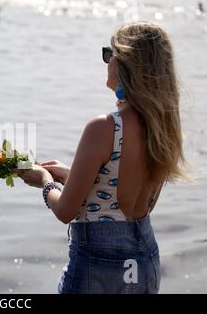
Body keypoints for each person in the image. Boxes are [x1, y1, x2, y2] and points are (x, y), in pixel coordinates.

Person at [15, 21, 192, 294]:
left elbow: (65, 211)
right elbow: (137, 201)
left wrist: (46, 180)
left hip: (99, 265)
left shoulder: (104, 127)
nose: (107, 62)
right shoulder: (164, 127)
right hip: (144, 260)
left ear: (127, 64)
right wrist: (73, 174)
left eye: (110, 54)